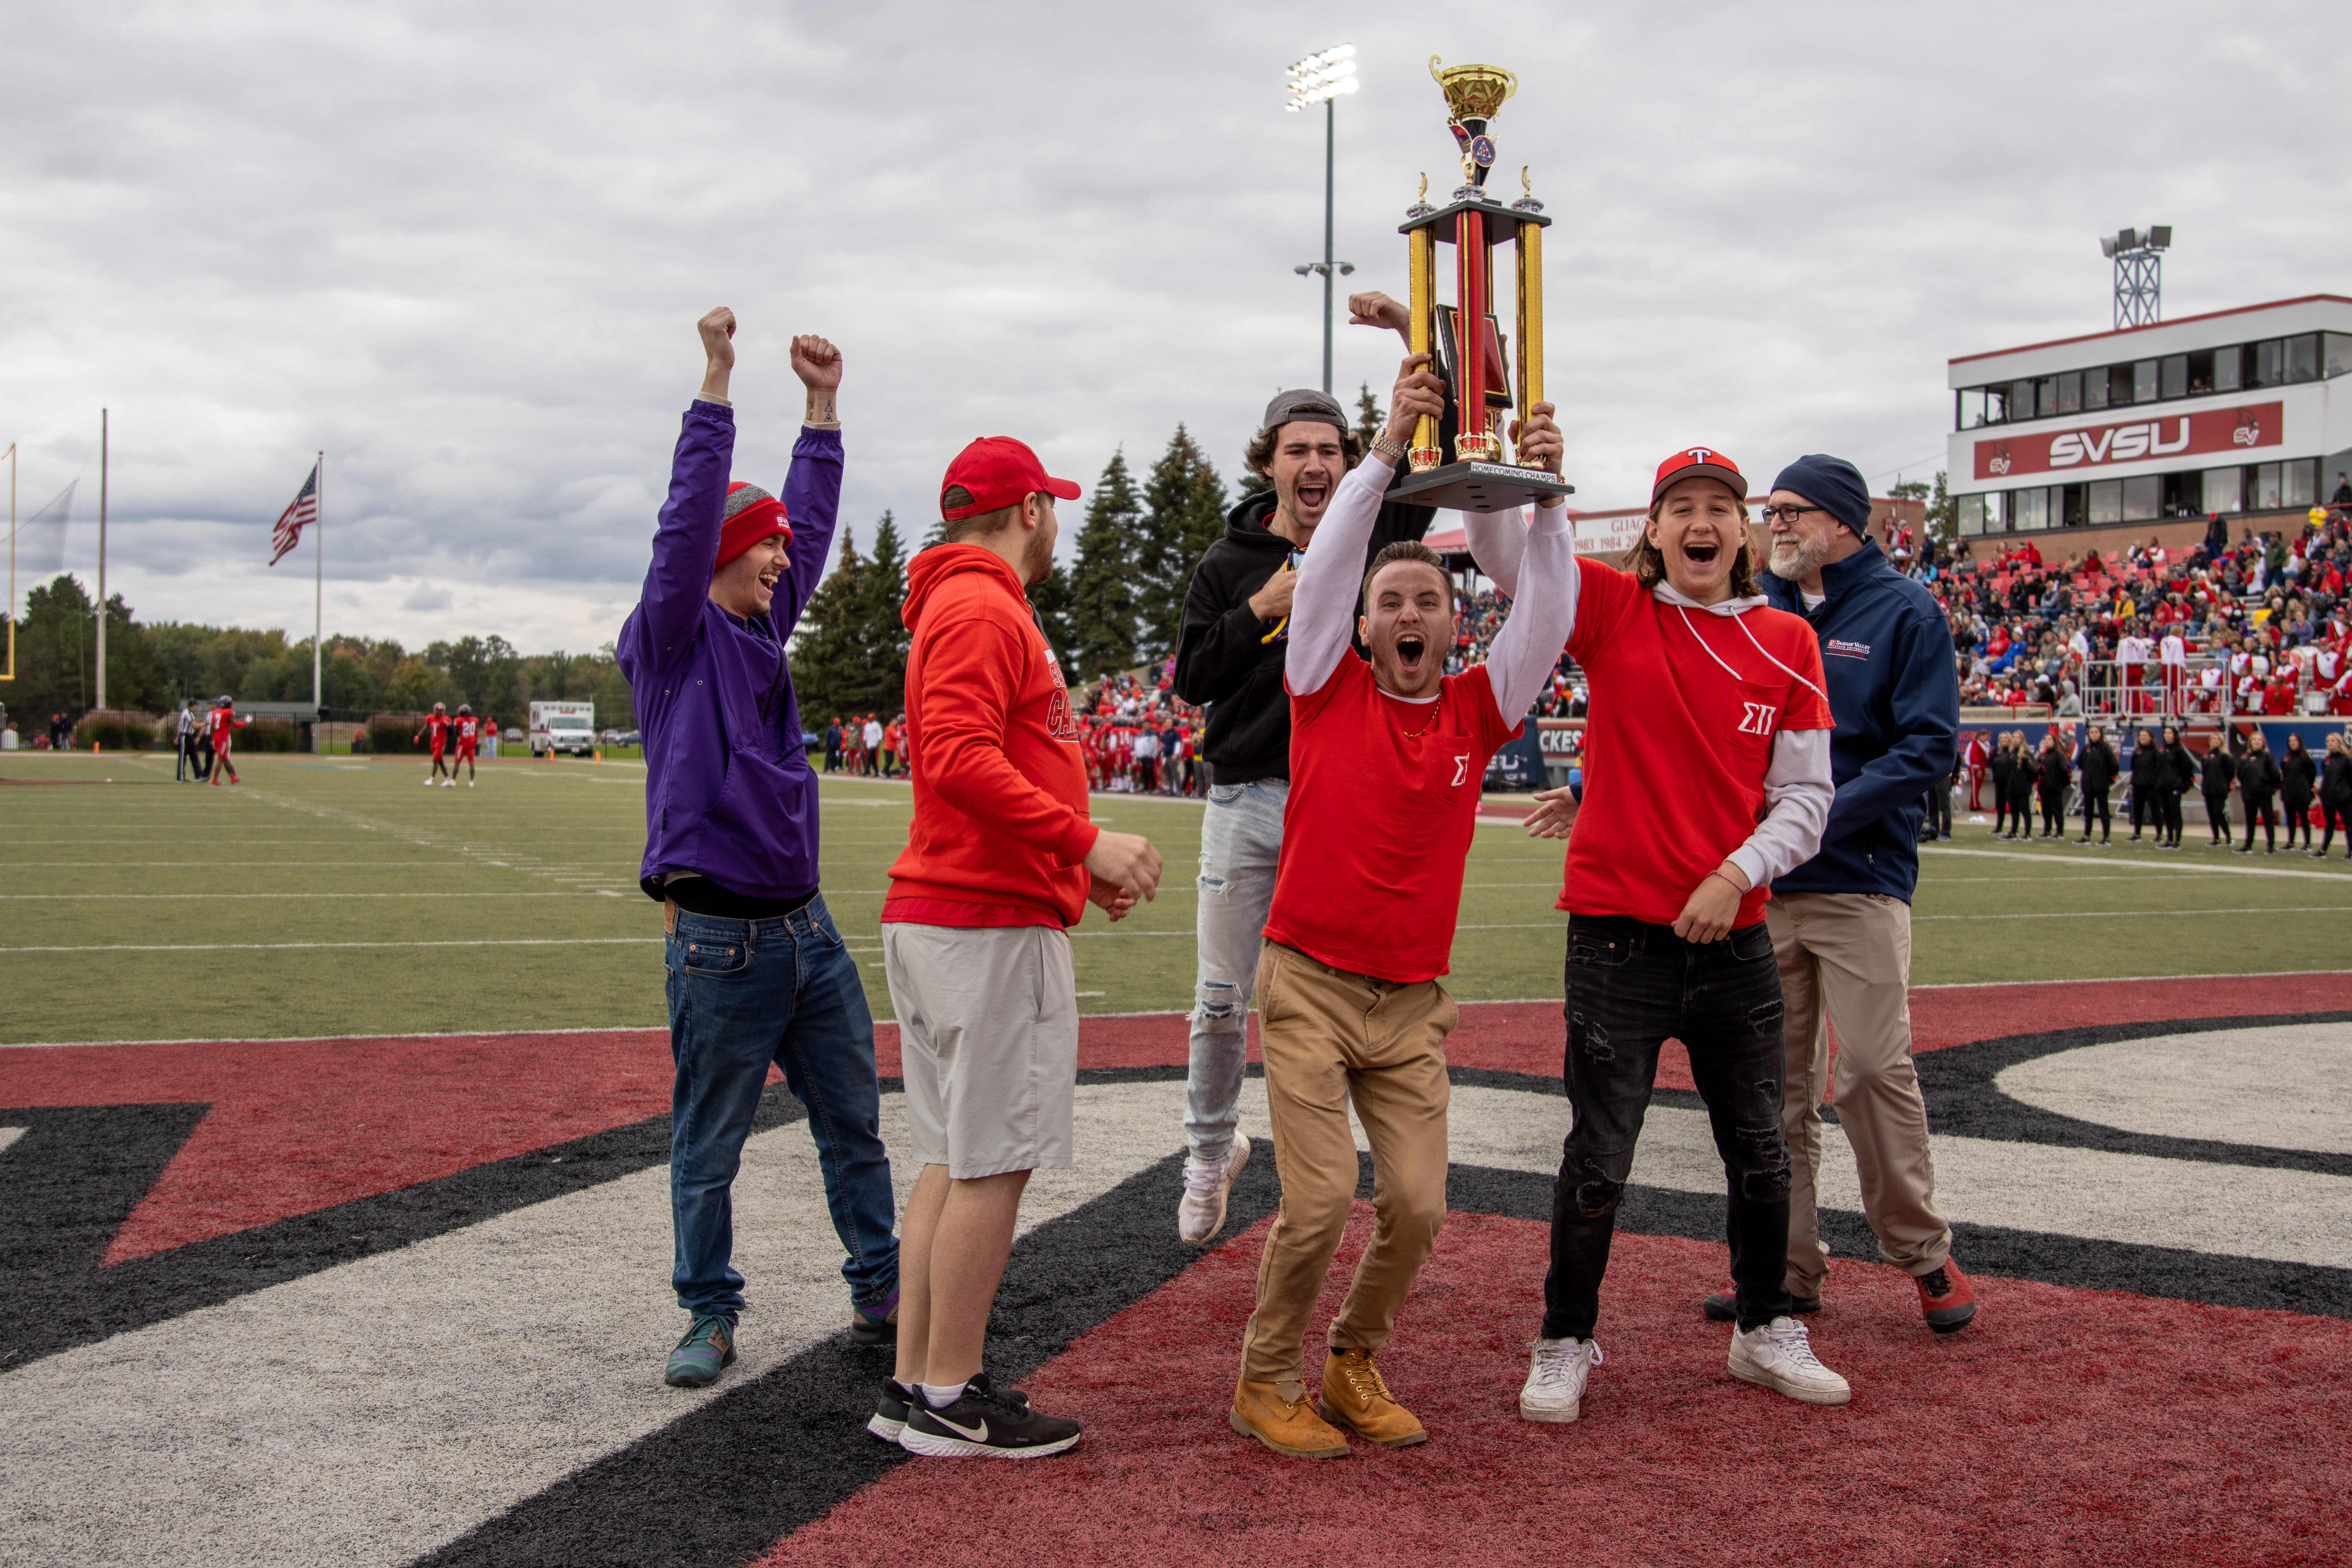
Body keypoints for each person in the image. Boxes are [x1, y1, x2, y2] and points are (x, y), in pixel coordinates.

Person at [1226, 357, 1572, 1456]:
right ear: (1365, 628)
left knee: (1418, 1206)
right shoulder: (1324, 689)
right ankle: (1264, 1378)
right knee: (1320, 1202)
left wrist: (1549, 498)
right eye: (1392, 602)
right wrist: (1383, 450)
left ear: (1451, 624)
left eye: (1429, 599)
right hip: (1312, 988)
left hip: (1411, 1007)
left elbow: (1551, 611)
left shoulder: (1478, 707)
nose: (1411, 612)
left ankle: (1352, 1359)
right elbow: (1326, 572)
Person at [1494, 445, 1843, 1423]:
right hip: (1616, 942)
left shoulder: (1790, 642)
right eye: (1680, 506)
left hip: (1734, 942)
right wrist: (1534, 485)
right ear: (1653, 530)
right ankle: (1565, 1337)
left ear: (1745, 531)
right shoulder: (1613, 609)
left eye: (1719, 507)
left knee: (1763, 1151)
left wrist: (1734, 875)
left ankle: (1765, 1326)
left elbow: (1806, 800)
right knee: (1599, 1157)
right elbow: (1506, 560)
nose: (1701, 522)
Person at [618, 307, 900, 1390]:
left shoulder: (761, 637)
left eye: (784, 540)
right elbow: (686, 522)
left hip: (807, 930)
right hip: (720, 944)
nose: (789, 554)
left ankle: (879, 1281)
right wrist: (718, 385)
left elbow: (816, 530)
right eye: (768, 542)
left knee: (855, 1125)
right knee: (710, 1149)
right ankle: (708, 1309)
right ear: (721, 558)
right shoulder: (674, 637)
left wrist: (823, 411)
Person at [876, 435, 1164, 1461]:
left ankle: (916, 1380)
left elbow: (979, 760)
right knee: (992, 1160)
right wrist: (1085, 839)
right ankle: (950, 1394)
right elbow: (956, 755)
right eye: (1054, 505)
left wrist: (1070, 865)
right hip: (981, 921)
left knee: (951, 1157)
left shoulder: (958, 599)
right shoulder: (983, 603)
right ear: (1031, 508)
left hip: (963, 906)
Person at [1166, 368, 1447, 1245]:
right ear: (1272, 464)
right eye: (1300, 451)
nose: (1316, 464)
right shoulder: (1228, 562)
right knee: (1220, 997)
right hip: (1247, 799)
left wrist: (1412, 358)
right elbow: (1189, 679)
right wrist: (1261, 606)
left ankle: (1325, 1175)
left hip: (1342, 805)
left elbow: (1427, 456)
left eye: (1331, 450)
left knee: (1336, 1002)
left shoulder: (1373, 533)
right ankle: (1211, 1150)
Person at [1725, 453, 1974, 1339]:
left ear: (1843, 522)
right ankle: (1787, 1272)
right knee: (1772, 1092)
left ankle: (1922, 1250)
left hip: (1858, 880)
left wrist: (1816, 817)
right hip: (1765, 885)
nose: (1777, 524)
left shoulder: (1907, 611)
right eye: (1772, 509)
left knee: (1870, 1069)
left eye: (1791, 511)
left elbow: (1927, 749)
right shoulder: (1760, 609)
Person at [2235, 732, 2282, 855]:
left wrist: (2267, 786)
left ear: (2263, 743)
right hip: (2249, 794)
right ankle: (2248, 846)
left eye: (2260, 740)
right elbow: (2240, 775)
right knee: (2250, 820)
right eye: (2254, 740)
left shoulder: (2268, 757)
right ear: (2250, 742)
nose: (2257, 742)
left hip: (2264, 794)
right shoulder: (2245, 758)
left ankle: (2271, 847)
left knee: (2268, 820)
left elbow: (2276, 776)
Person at [2075, 724, 2118, 845]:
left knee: (2104, 812)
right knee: (2088, 812)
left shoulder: (2105, 749)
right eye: (2092, 732)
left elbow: (2115, 766)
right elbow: (2080, 762)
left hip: (2101, 786)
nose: (2094, 734)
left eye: (2096, 732)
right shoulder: (2086, 748)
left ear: (2101, 735)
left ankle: (2106, 838)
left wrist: (2104, 776)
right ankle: (2087, 836)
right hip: (2088, 786)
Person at [2317, 733, 2352, 858]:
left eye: (2332, 741)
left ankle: (2351, 852)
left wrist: (2348, 794)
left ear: (2339, 742)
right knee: (2329, 825)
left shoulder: (2346, 760)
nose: (2330, 743)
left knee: (2349, 826)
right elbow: (2327, 778)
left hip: (2343, 798)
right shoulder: (2326, 760)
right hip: (2328, 799)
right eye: (2328, 741)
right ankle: (2323, 851)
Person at [2280, 733, 2317, 852]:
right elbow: (2284, 774)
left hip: (2302, 794)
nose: (2292, 743)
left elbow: (2312, 775)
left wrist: (2306, 786)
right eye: (2290, 741)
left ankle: (2308, 844)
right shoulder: (2285, 758)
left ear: (2300, 742)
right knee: (2291, 820)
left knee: (2304, 819)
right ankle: (2290, 844)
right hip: (2288, 794)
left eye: (2295, 741)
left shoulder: (2306, 758)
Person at [2159, 725, 2193, 850]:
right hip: (2163, 787)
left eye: (2170, 733)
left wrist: (2179, 780)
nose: (2167, 735)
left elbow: (2188, 767)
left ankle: (2177, 841)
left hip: (2174, 786)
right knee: (2166, 813)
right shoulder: (2162, 750)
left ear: (2175, 735)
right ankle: (2169, 839)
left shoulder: (2179, 750)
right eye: (2165, 733)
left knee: (2175, 813)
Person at [2127, 727, 2162, 843]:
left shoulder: (2155, 752)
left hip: (2151, 786)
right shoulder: (2137, 752)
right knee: (2137, 810)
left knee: (2155, 810)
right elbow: (2133, 767)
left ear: (2151, 738)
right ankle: (2137, 834)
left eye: (2145, 736)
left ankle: (2159, 836)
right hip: (2137, 785)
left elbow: (2159, 768)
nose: (2142, 738)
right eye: (2141, 736)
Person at [2200, 740, 2236, 847]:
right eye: (2213, 739)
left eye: (2217, 739)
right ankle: (2216, 839)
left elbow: (2230, 772)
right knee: (2211, 815)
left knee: (2218, 813)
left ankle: (2229, 838)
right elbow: (2204, 771)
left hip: (2220, 790)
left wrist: (2224, 784)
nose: (2215, 741)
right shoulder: (2206, 756)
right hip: (2208, 789)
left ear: (2222, 741)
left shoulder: (2225, 757)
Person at [205, 696, 248, 786]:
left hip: (216, 738)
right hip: (223, 739)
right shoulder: (229, 712)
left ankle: (233, 777)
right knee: (221, 760)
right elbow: (236, 725)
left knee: (225, 758)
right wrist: (246, 722)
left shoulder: (215, 712)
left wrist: (213, 739)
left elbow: (212, 728)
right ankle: (215, 780)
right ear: (228, 704)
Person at [2035, 731, 2070, 838]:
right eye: (2045, 740)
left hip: (2055, 788)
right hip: (2044, 788)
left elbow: (2065, 771)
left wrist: (2063, 784)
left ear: (2055, 742)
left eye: (2050, 739)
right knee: (2046, 811)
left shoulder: (2058, 755)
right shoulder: (2042, 756)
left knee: (2057, 811)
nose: (2047, 742)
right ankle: (2047, 831)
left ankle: (2060, 832)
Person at [415, 701, 454, 786]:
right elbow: (425, 728)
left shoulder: (446, 719)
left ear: (444, 711)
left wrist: (447, 725)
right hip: (433, 743)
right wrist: (418, 736)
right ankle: (448, 780)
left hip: (441, 743)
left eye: (441, 711)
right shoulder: (430, 718)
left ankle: (432, 780)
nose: (439, 712)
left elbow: (452, 733)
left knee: (435, 759)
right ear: (435, 710)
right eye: (438, 710)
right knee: (440, 761)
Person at [451, 705, 487, 787]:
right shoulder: (475, 720)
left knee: (457, 763)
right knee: (472, 763)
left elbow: (456, 734)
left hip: (462, 745)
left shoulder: (459, 720)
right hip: (471, 745)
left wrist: (457, 728)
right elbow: (476, 732)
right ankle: (471, 782)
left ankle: (453, 781)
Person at [1989, 732, 2015, 837]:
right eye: (2002, 738)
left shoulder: (2012, 753)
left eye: (2006, 738)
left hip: (2009, 784)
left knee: (2013, 807)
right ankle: (1999, 827)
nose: (2004, 740)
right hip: (1999, 783)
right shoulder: (1999, 753)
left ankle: (2014, 829)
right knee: (2000, 806)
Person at [175, 700, 200, 783]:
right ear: (192, 706)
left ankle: (199, 776)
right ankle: (180, 778)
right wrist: (207, 724)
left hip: (190, 737)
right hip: (185, 737)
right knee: (183, 758)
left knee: (194, 756)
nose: (196, 707)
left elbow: (179, 725)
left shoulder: (185, 712)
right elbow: (195, 726)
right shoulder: (188, 713)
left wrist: (177, 736)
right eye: (195, 706)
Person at [861, 713, 884, 777]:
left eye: (870, 717)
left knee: (869, 759)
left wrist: (878, 743)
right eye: (869, 717)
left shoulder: (876, 725)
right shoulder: (867, 725)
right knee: (873, 760)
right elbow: (865, 735)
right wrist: (864, 743)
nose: (869, 718)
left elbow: (880, 734)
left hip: (874, 744)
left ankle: (865, 773)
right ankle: (877, 773)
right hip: (869, 744)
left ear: (873, 718)